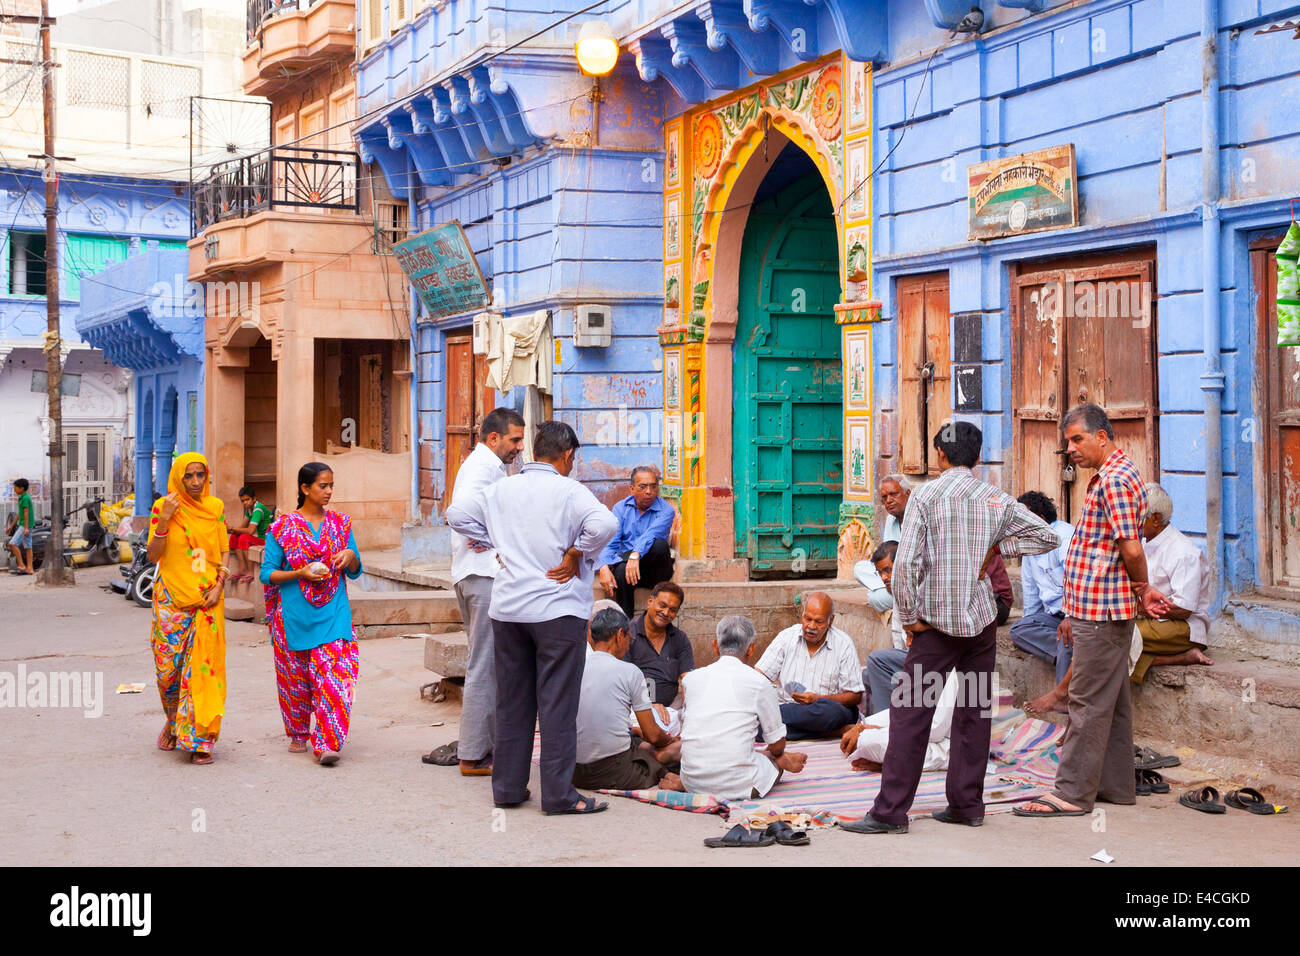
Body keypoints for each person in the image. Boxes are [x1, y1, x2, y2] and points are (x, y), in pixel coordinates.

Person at [843, 421, 1059, 834]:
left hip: (935, 627)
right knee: (974, 712)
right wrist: (998, 546)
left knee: (909, 714)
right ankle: (966, 804)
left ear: (940, 456)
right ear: (977, 458)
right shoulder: (994, 497)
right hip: (980, 626)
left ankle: (890, 812)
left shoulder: (925, 496)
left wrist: (908, 618)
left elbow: (904, 566)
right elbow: (1046, 535)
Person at [445, 420, 619, 815]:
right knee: (556, 705)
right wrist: (576, 553)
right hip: (557, 611)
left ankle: (507, 788)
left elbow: (456, 515)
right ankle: (558, 796)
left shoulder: (501, 489)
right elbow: (606, 524)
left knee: (513, 702)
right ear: (569, 455)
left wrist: (495, 541)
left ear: (534, 452)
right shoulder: (570, 491)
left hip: (508, 611)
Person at [1015, 404, 1171, 819]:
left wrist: (1143, 588)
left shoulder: (1117, 480)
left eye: (1077, 439)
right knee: (1113, 702)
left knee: (1084, 702)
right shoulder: (1111, 476)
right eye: (1068, 441)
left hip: (1102, 610)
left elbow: (1131, 546)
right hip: (1096, 606)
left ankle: (1070, 793)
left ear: (1103, 436)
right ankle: (1114, 787)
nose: (1071, 449)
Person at [425, 407, 526, 775]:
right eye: (515, 439)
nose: (519, 447)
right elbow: (456, 514)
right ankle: (472, 755)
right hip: (481, 577)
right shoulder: (483, 466)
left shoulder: (490, 467)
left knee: (491, 663)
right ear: (494, 437)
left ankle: (485, 748)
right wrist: (491, 540)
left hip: (475, 575)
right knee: (485, 663)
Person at [260, 462, 364, 766]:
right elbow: (267, 574)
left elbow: (356, 571)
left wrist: (350, 556)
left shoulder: (341, 524)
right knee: (296, 678)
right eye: (323, 486)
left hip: (334, 612)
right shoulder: (282, 528)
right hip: (294, 614)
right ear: (305, 488)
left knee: (337, 676)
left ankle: (328, 742)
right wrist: (300, 573)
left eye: (331, 485)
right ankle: (298, 730)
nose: (329, 491)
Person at [146, 453, 231, 765]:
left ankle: (201, 741)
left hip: (208, 600)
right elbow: (154, 556)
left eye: (200, 475)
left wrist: (220, 585)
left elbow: (224, 551)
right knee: (168, 673)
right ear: (178, 478)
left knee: (203, 671)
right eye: (189, 476)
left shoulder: (215, 509)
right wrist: (166, 518)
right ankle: (173, 721)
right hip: (171, 600)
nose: (196, 483)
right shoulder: (163, 508)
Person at [677, 615, 807, 799]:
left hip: (692, 782)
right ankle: (772, 761)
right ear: (751, 648)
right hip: (739, 785)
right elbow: (777, 745)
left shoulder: (690, 679)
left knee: (746, 751)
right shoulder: (759, 682)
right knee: (773, 761)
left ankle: (759, 757)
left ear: (715, 646)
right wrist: (777, 756)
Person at [573, 607, 682, 792]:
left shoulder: (575, 666)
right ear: (619, 635)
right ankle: (665, 773)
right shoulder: (629, 671)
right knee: (655, 758)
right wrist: (668, 741)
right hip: (611, 772)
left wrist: (637, 732)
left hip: (574, 771)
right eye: (629, 639)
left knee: (638, 743)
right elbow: (653, 734)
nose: (628, 645)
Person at [1132, 483, 1213, 683]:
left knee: (1116, 636)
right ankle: (1181, 658)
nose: (1131, 522)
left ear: (1156, 519)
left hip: (1184, 626)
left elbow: (1184, 610)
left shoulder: (1183, 552)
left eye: (1137, 517)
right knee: (1105, 635)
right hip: (1151, 619)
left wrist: (1141, 609)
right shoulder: (1143, 542)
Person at [755, 592, 863, 740]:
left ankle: (780, 724)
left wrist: (817, 699)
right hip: (788, 707)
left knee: (836, 713)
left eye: (818, 622)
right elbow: (758, 677)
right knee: (758, 727)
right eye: (808, 619)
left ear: (830, 621)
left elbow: (855, 696)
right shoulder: (786, 637)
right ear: (802, 615)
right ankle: (827, 733)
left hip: (824, 710)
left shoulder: (843, 644)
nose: (811, 626)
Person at [1009, 490, 1075, 710]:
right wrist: (1031, 623)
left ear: (1040, 519)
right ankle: (1068, 652)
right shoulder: (1030, 546)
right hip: (1051, 617)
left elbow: (1075, 579)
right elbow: (1030, 594)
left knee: (1067, 635)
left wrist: (1071, 617)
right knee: (1018, 630)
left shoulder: (1063, 536)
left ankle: (1065, 695)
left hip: (1073, 613)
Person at [842, 669, 958, 774]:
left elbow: (934, 730)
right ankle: (892, 760)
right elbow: (906, 711)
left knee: (869, 742)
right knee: (868, 740)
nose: (907, 644)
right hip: (937, 738)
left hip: (952, 744)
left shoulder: (951, 669)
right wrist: (862, 725)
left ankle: (892, 762)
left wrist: (876, 730)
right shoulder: (930, 667)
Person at [598, 466, 676, 617]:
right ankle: (626, 623)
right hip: (629, 571)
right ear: (632, 489)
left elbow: (650, 536)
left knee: (659, 545)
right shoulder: (620, 509)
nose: (649, 491)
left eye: (653, 486)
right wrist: (603, 566)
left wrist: (635, 555)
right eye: (643, 486)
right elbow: (611, 542)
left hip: (655, 570)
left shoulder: (667, 511)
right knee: (620, 571)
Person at [626, 580, 692, 728]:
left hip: (672, 709)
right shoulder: (628, 634)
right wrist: (649, 705)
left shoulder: (680, 638)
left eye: (673, 610)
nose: (666, 613)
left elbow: (688, 679)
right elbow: (623, 681)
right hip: (635, 708)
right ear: (650, 601)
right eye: (662, 606)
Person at [853, 474, 911, 611]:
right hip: (892, 575)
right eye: (884, 497)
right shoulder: (891, 520)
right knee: (859, 568)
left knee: (875, 598)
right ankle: (892, 591)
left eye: (894, 494)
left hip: (911, 579)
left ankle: (895, 593)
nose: (889, 501)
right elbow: (886, 555)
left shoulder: (918, 516)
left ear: (908, 493)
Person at [862, 541, 907, 714]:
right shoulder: (897, 596)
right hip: (909, 660)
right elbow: (899, 642)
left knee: (876, 661)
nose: (884, 578)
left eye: (888, 570)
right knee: (866, 676)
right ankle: (872, 722)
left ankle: (884, 723)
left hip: (928, 661)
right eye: (880, 572)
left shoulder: (916, 592)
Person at [227, 484, 273, 582]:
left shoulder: (258, 509)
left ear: (254, 499)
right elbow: (241, 527)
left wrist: (231, 528)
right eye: (242, 501)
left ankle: (250, 572)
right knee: (235, 536)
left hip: (267, 540)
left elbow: (250, 531)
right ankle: (242, 569)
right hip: (260, 539)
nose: (245, 503)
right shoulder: (249, 509)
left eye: (247, 500)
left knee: (244, 537)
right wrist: (231, 530)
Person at [7, 478, 35, 575]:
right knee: (28, 547)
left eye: (16, 487)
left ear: (22, 488)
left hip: (25, 525)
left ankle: (22, 565)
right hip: (24, 524)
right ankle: (30, 568)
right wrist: (11, 526)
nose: (14, 489)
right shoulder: (22, 498)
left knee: (12, 544)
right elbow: (20, 513)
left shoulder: (25, 498)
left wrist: (26, 528)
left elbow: (26, 514)